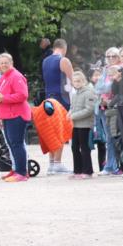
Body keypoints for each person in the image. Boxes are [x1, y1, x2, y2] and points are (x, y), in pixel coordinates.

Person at [0, 53, 32, 182]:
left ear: (11, 62)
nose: (2, 65)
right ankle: (15, 169)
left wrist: (4, 98)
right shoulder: (3, 78)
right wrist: (0, 116)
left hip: (17, 115)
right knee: (11, 144)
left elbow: (23, 95)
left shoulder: (16, 76)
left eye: (4, 62)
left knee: (17, 143)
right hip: (7, 116)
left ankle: (22, 172)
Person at [42, 38, 75, 174]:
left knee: (51, 130)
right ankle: (57, 163)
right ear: (64, 48)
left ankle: (51, 163)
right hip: (61, 99)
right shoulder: (64, 60)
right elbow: (74, 80)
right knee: (60, 130)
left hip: (49, 98)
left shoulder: (45, 61)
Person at [68, 71, 98, 179]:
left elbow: (89, 110)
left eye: (78, 81)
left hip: (85, 125)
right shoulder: (75, 93)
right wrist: (69, 112)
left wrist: (74, 116)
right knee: (74, 147)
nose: (76, 83)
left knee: (84, 148)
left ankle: (88, 171)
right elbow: (72, 106)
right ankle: (77, 170)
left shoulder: (89, 92)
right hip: (75, 125)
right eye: (74, 81)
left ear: (83, 81)